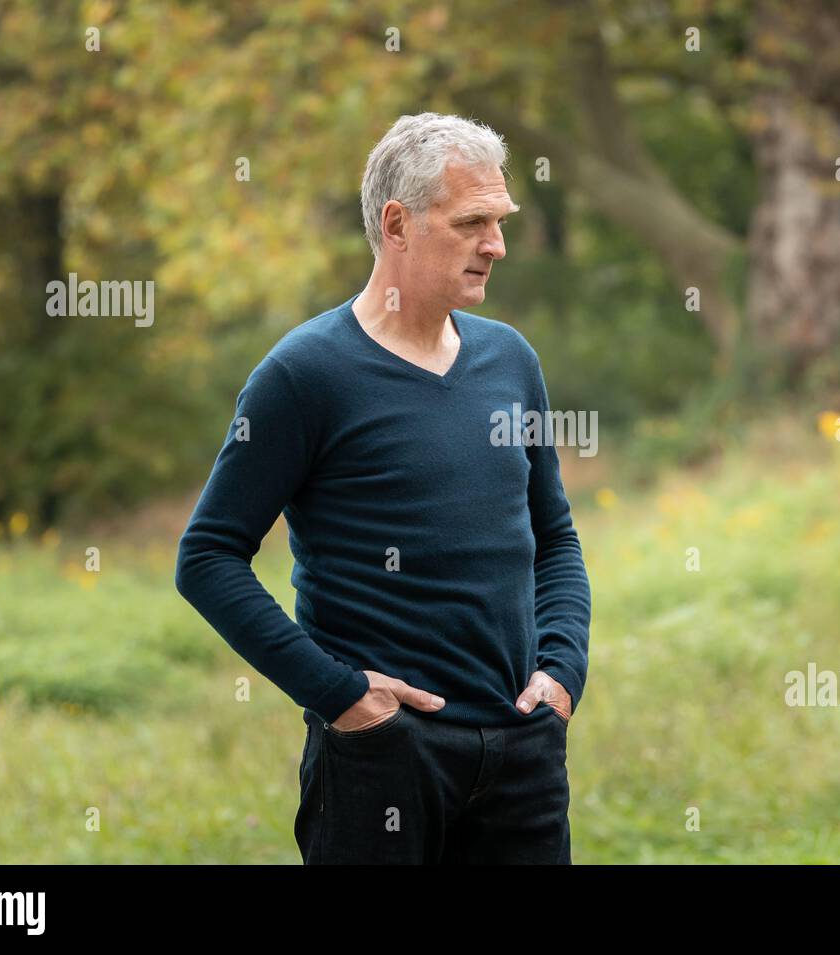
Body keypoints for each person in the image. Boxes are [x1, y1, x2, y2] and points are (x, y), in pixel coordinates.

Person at [174, 112, 592, 864]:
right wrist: (339, 694)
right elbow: (206, 557)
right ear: (397, 224)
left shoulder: (510, 360)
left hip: (523, 753)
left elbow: (553, 537)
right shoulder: (304, 375)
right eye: (472, 223)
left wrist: (562, 674)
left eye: (499, 222)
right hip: (382, 760)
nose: (495, 245)